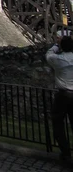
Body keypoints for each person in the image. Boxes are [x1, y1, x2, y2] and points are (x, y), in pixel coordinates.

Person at [46, 33, 73, 162]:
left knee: (58, 123)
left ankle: (66, 152)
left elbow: (49, 55)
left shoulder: (58, 59)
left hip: (63, 95)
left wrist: (57, 44)